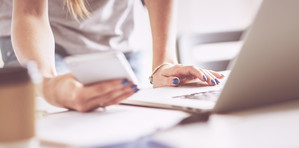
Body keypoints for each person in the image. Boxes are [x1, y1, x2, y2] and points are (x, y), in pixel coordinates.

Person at [0, 0, 224, 112]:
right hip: (44, 40)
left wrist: (164, 63)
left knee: (124, 121)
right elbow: (30, 12)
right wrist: (47, 83)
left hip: (119, 39)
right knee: (52, 120)